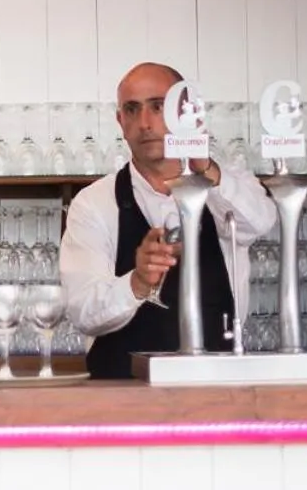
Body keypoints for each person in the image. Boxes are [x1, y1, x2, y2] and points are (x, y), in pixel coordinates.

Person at [60, 62, 278, 379]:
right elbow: (82, 311)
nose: (145, 123)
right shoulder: (94, 203)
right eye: (132, 110)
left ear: (186, 111)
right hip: (122, 396)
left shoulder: (225, 185)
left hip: (219, 386)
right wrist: (137, 282)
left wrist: (204, 165)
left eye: (158, 107)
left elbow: (258, 223)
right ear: (120, 121)